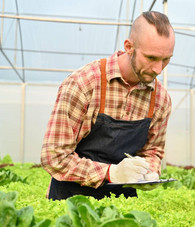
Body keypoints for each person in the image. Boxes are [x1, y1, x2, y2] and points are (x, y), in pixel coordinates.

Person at [40, 11, 175, 200]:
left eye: (166, 59)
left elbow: (153, 151)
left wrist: (149, 171)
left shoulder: (160, 100)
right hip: (71, 200)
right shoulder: (84, 84)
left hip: (123, 206)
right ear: (129, 47)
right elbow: (54, 157)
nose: (158, 69)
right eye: (151, 58)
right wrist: (111, 173)